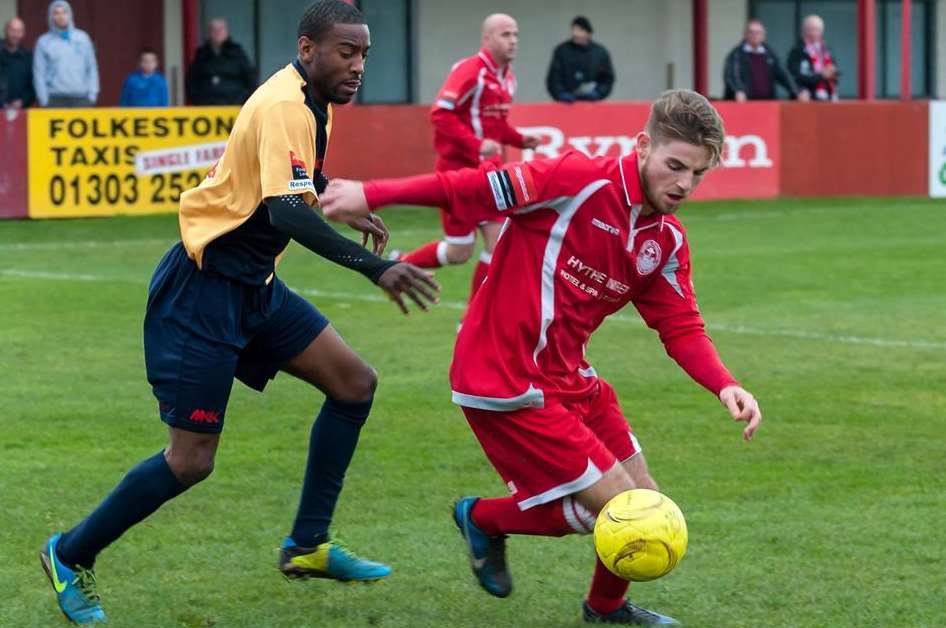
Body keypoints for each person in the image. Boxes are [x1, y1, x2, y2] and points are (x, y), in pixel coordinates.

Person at [39, 2, 439, 624]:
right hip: (203, 293)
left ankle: (307, 545)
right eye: (346, 52)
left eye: (364, 54)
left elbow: (293, 181)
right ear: (308, 49)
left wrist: (334, 194)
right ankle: (69, 553)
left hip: (255, 288)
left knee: (354, 384)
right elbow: (283, 212)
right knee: (191, 460)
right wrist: (377, 268)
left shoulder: (312, 100)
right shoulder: (284, 102)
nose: (358, 65)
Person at [320, 89, 763, 625]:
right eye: (675, 167)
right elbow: (473, 186)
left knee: (645, 499)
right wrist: (373, 193)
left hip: (569, 376)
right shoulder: (577, 181)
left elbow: (680, 325)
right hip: (503, 375)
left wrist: (724, 384)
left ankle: (605, 608)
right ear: (644, 145)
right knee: (618, 508)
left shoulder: (664, 241)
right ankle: (483, 517)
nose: (684, 185)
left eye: (697, 175)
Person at [392, 13, 538, 310]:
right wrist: (475, 145)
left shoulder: (508, 78)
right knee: (459, 251)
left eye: (516, 35)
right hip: (457, 172)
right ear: (487, 39)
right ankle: (398, 265)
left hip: (489, 174)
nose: (513, 41)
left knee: (498, 244)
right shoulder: (470, 71)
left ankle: (472, 319)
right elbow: (440, 113)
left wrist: (520, 140)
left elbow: (496, 127)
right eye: (505, 34)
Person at [33, 0, 99, 107]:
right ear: (51, 16)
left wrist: (92, 95)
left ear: (70, 15)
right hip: (55, 99)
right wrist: (44, 100)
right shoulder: (43, 42)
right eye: (56, 13)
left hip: (81, 98)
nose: (61, 16)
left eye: (64, 12)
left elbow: (92, 68)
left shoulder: (83, 38)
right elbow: (39, 73)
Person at [723, 19, 802, 101]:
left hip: (767, 103)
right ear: (745, 34)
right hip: (745, 104)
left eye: (758, 33)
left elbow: (783, 74)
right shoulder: (736, 55)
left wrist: (797, 91)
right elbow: (732, 76)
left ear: (763, 35)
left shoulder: (769, 54)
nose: (755, 35)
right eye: (751, 32)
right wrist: (738, 90)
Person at [186, 18, 256, 105]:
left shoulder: (237, 52)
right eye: (214, 29)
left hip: (233, 107)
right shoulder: (201, 54)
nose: (217, 32)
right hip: (206, 108)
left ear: (226, 32)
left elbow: (251, 79)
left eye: (221, 29)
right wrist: (198, 100)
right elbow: (191, 81)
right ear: (209, 33)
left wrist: (243, 100)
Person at [546, 16, 615, 103]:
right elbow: (554, 77)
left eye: (580, 30)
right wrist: (560, 93)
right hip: (566, 104)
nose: (575, 34)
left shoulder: (600, 52)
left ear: (588, 33)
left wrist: (598, 92)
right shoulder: (561, 51)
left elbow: (607, 78)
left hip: (592, 104)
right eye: (573, 30)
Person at [787, 14, 839, 102]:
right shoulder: (797, 51)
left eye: (817, 29)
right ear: (804, 31)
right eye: (810, 29)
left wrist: (833, 73)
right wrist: (821, 75)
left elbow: (834, 75)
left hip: (827, 98)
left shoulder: (826, 49)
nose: (813, 32)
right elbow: (796, 77)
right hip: (807, 99)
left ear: (822, 31)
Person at [1, 17, 35, 110]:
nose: (15, 34)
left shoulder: (28, 57)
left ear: (23, 34)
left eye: (19, 31)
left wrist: (22, 101)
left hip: (20, 112)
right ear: (5, 31)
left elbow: (33, 87)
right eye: (12, 30)